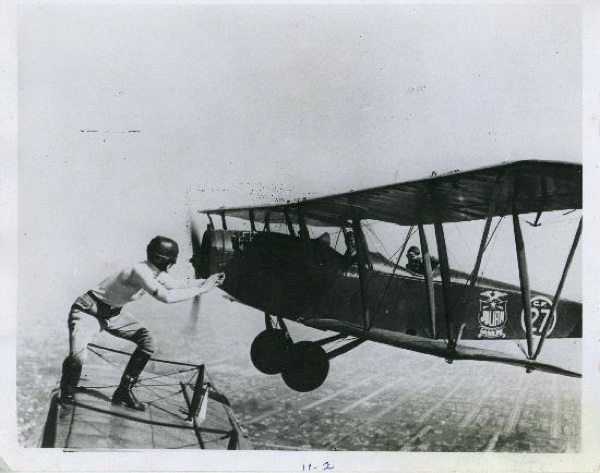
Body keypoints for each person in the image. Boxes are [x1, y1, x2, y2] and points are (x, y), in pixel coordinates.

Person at [59, 236, 224, 411]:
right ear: (162, 259)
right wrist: (202, 290)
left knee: (148, 341)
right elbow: (166, 297)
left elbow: (175, 285)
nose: (172, 265)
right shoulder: (141, 271)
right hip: (88, 312)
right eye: (172, 261)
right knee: (78, 357)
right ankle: (67, 395)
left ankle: (124, 391)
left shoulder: (152, 271)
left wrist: (208, 281)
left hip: (113, 315)